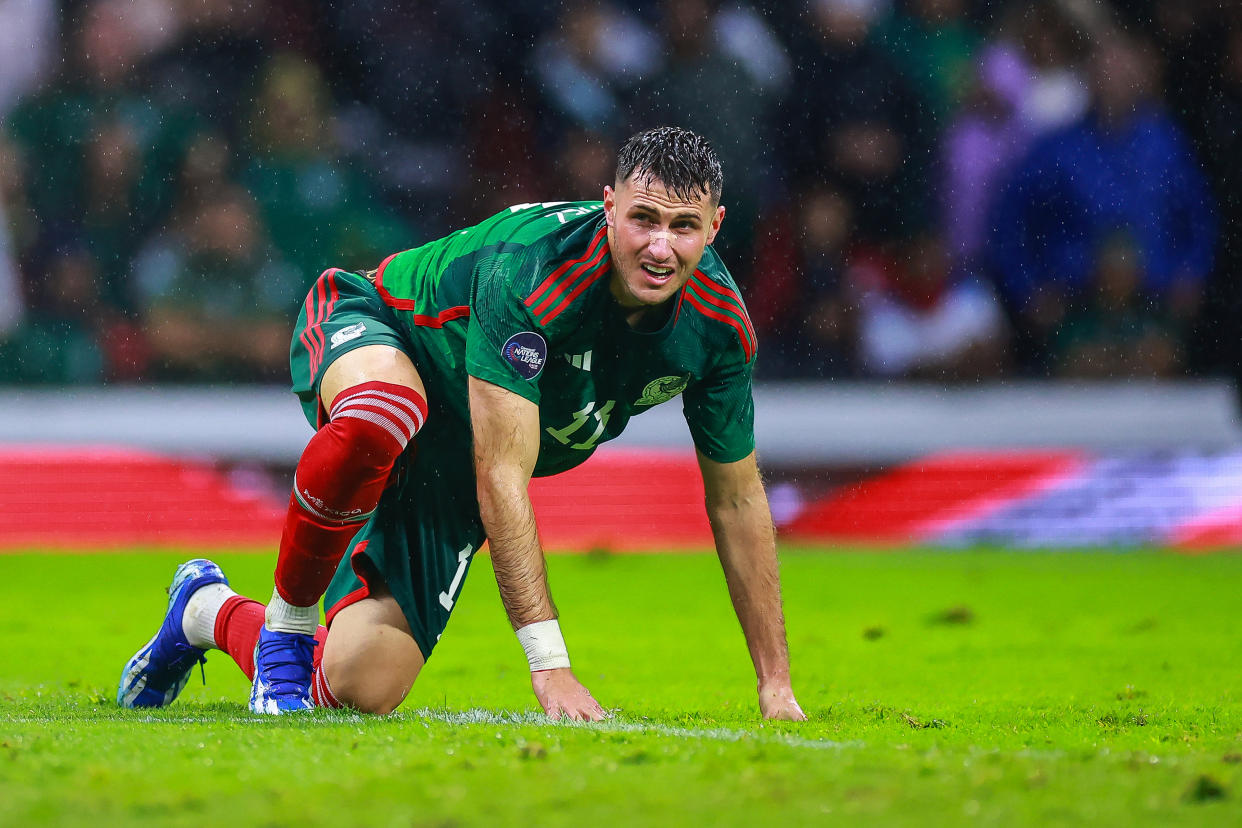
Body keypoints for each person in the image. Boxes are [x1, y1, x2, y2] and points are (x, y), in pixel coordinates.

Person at [117, 127, 806, 722]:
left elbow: (738, 496)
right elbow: (502, 471)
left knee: (359, 686)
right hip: (378, 326)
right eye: (643, 219)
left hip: (453, 455)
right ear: (608, 207)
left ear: (715, 227)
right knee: (382, 417)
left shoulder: (719, 328)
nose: (660, 247)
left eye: (683, 227)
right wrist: (549, 664)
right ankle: (288, 630)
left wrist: (775, 684)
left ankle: (204, 610)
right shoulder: (532, 269)